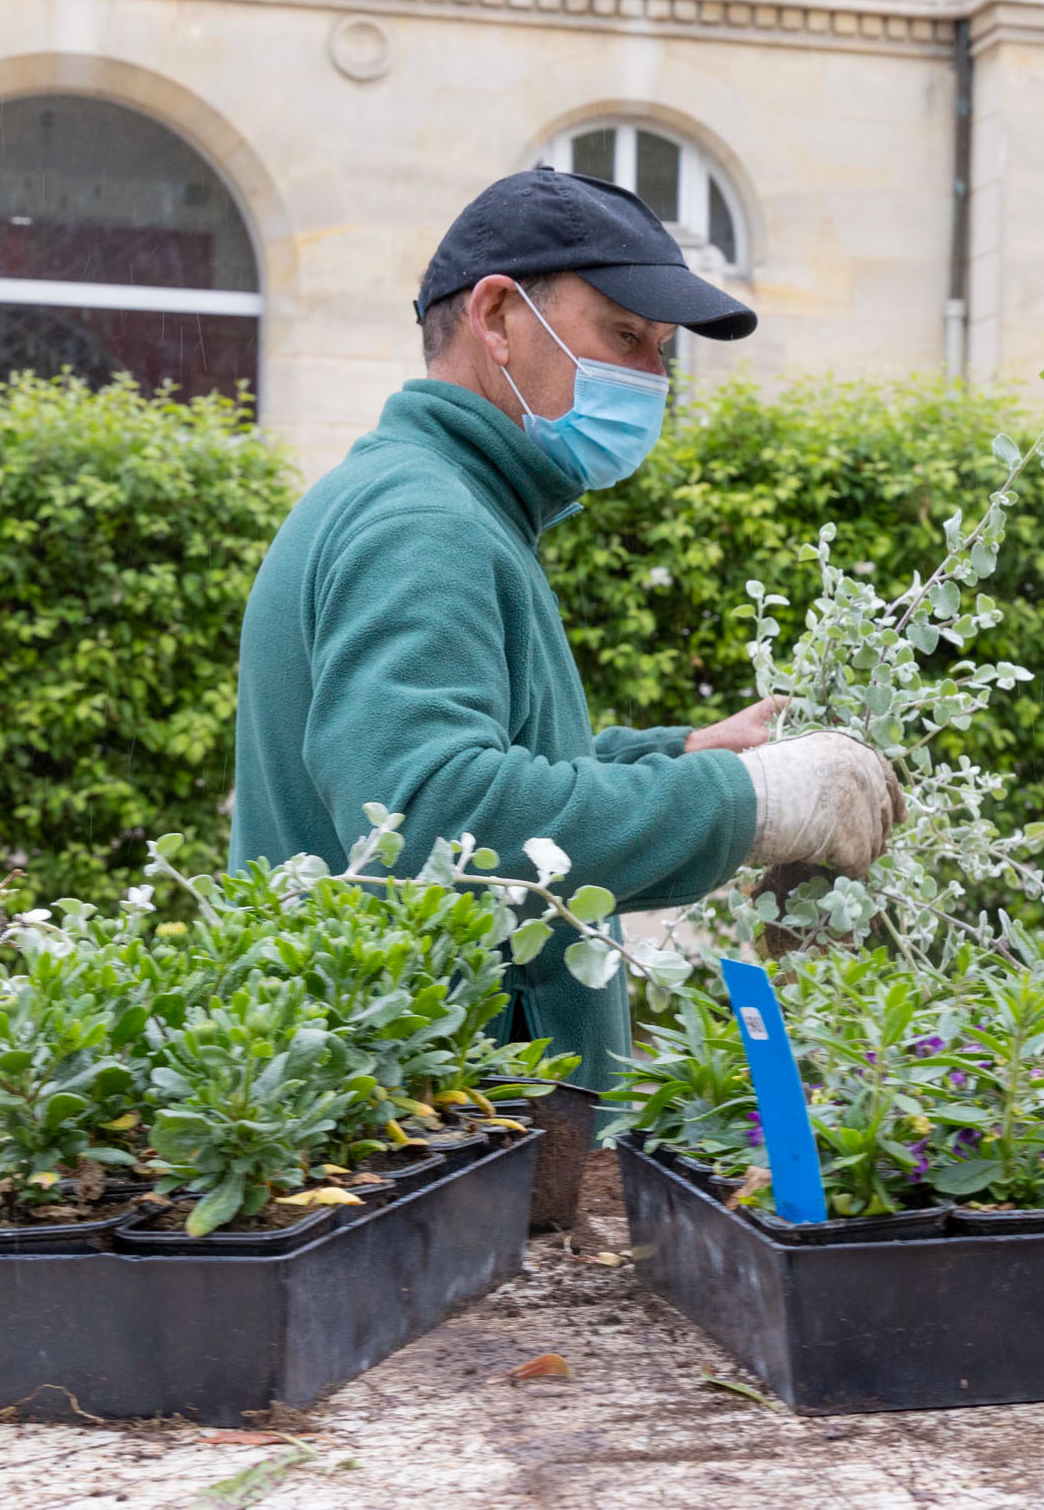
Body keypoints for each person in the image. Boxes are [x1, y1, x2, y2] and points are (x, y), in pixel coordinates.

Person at [229, 167, 904, 1096]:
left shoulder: (436, 499)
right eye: (625, 336)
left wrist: (684, 754)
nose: (654, 379)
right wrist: (747, 804)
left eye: (664, 351)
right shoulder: (423, 523)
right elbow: (428, 820)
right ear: (498, 317)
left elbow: (491, 761)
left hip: (437, 1136)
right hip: (424, 1146)